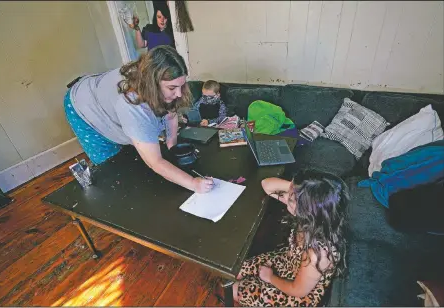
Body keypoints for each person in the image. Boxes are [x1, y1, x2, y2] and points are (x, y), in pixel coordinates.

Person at [64, 45, 213, 194]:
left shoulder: (153, 77)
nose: (179, 94)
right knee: (113, 166)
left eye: (181, 86)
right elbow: (155, 162)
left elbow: (170, 111)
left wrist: (171, 144)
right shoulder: (132, 105)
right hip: (84, 106)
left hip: (102, 93)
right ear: (152, 85)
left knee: (139, 148)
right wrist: (193, 184)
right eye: (172, 88)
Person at [233, 169, 349, 306]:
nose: (286, 197)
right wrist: (298, 188)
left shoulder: (318, 255)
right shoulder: (314, 218)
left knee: (235, 289)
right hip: (287, 261)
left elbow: (298, 291)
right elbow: (266, 184)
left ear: (306, 210)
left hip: (297, 293)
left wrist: (270, 277)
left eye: (292, 198)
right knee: (236, 271)